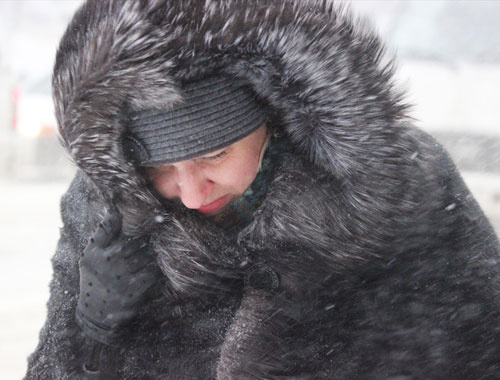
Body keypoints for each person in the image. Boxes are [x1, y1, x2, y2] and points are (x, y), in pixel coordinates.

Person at [26, 0, 500, 379]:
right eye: (160, 167)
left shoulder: (405, 185)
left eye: (214, 156)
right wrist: (92, 331)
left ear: (274, 120)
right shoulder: (103, 211)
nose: (190, 194)